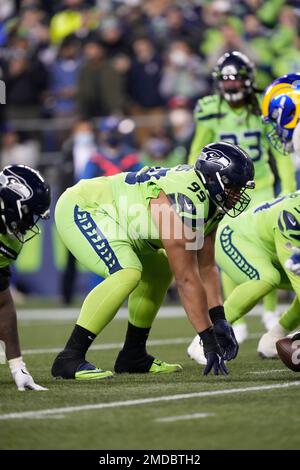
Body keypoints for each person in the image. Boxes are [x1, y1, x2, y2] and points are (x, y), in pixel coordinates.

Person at [51, 141, 255, 381]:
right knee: (127, 272)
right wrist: (208, 339)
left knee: (158, 270)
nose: (237, 195)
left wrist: (219, 318)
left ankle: (133, 355)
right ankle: (70, 357)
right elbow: (187, 279)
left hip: (121, 222)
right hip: (87, 206)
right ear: (212, 179)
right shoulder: (184, 201)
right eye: (233, 187)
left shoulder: (210, 200)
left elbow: (207, 267)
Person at [187, 51, 296, 349]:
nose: (231, 85)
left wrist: (286, 190)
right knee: (231, 254)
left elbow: (279, 152)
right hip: (226, 192)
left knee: (269, 253)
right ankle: (236, 319)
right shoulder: (210, 109)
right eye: (226, 79)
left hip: (260, 186)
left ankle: (270, 313)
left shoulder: (260, 108)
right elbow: (199, 148)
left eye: (236, 79)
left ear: (248, 81)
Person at [185, 190, 300, 363]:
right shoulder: (293, 216)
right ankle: (205, 338)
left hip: (270, 249)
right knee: (266, 278)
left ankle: (274, 338)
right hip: (237, 237)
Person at [0, 165, 51, 390]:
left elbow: (3, 304)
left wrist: (17, 365)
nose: (30, 223)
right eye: (30, 214)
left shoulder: (8, 239)